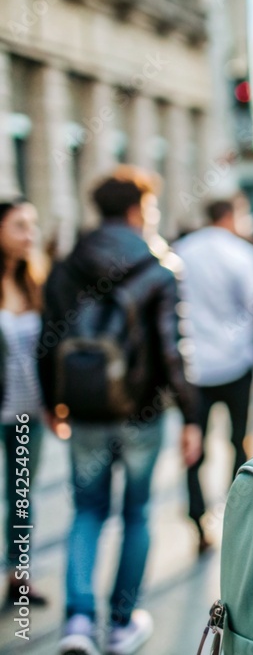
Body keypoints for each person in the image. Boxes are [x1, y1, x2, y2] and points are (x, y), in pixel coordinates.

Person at [38, 167, 201, 655]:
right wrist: (191, 416)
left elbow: (47, 343)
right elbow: (172, 351)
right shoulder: (159, 268)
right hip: (142, 411)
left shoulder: (65, 267)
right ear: (136, 210)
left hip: (85, 410)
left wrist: (51, 403)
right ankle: (122, 623)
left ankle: (78, 621)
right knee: (136, 512)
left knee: (87, 510)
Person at [173, 198, 253, 553]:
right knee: (238, 438)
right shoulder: (242, 254)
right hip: (235, 362)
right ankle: (237, 514)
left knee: (193, 445)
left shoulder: (181, 251)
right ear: (231, 216)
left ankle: (198, 519)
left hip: (192, 366)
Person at [0, 198, 48, 607]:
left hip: (27, 412)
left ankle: (18, 576)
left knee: (20, 495)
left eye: (32, 225)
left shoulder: (35, 281)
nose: (29, 234)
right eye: (19, 225)